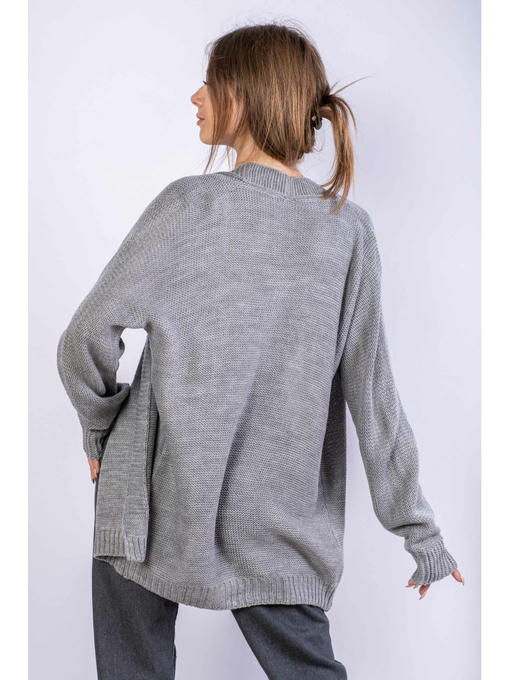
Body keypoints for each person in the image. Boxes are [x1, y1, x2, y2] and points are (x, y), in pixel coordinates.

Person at [56, 21, 464, 680]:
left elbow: (85, 338)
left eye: (209, 84)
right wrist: (419, 531)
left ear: (244, 97)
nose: (195, 98)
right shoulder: (347, 232)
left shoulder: (187, 207)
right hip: (280, 518)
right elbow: (374, 395)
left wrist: (100, 428)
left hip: (148, 500)